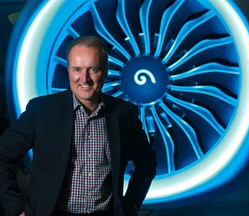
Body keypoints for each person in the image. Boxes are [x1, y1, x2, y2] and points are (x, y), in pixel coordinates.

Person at [0, 36, 157, 216]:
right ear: (68, 71)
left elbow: (146, 164)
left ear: (105, 71)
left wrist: (131, 206)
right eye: (77, 69)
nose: (84, 79)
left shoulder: (124, 113)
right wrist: (15, 208)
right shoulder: (42, 110)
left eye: (93, 69)